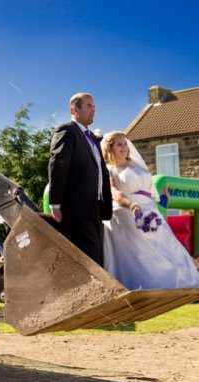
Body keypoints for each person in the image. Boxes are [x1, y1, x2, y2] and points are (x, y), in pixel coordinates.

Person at [101, 131, 199, 289]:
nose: (124, 147)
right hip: (128, 211)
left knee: (169, 245)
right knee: (145, 250)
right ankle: (153, 284)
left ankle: (184, 283)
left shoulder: (135, 163)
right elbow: (115, 193)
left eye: (125, 143)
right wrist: (131, 205)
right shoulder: (109, 170)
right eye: (119, 144)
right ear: (110, 148)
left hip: (150, 209)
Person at [48, 93, 112, 266]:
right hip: (78, 209)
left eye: (94, 106)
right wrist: (55, 204)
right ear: (75, 109)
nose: (94, 110)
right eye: (89, 106)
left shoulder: (91, 137)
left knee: (98, 256)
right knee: (89, 258)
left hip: (96, 207)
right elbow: (58, 165)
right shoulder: (67, 131)